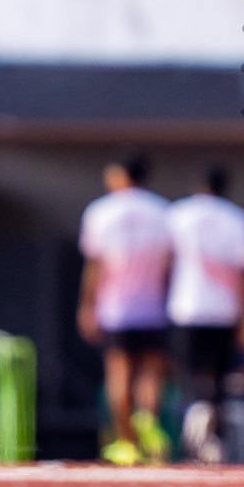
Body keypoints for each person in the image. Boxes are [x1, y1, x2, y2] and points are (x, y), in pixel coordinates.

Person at [77, 154, 172, 466]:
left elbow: (94, 266)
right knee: (150, 374)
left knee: (118, 374)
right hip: (152, 307)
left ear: (118, 175)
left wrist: (87, 305)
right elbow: (170, 264)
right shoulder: (162, 211)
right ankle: (147, 422)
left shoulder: (100, 212)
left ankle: (126, 440)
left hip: (115, 308)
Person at [165, 167, 244, 461]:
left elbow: (165, 264)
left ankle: (192, 440)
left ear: (198, 185)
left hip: (186, 308)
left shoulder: (178, 215)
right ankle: (213, 437)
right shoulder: (237, 219)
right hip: (224, 310)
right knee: (219, 380)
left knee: (187, 377)